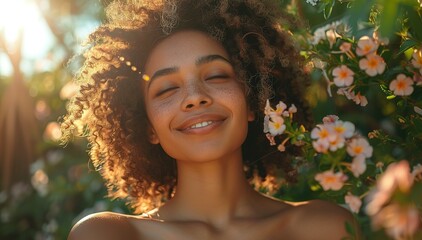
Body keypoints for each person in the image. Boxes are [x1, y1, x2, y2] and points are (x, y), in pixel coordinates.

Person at [64, 0, 360, 239]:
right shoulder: (107, 234)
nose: (195, 97)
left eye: (216, 75)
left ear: (252, 102)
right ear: (149, 127)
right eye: (167, 89)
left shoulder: (323, 228)